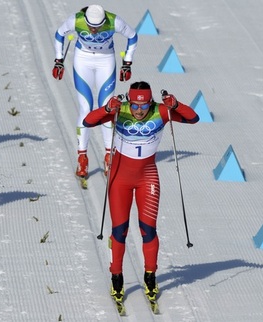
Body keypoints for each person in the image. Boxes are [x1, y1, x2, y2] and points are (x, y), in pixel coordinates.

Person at [83, 81, 199, 303]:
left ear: (150, 102)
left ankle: (150, 276)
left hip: (147, 178)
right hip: (119, 179)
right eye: (135, 106)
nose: (138, 111)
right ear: (129, 101)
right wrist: (107, 109)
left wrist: (175, 105)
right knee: (120, 230)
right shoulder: (121, 110)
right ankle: (116, 276)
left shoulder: (161, 111)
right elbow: (88, 122)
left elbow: (193, 118)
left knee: (148, 229)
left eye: (143, 106)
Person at [53, 4, 138, 178]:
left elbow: (133, 36)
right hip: (82, 60)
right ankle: (82, 157)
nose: (93, 30)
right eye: (90, 26)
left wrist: (127, 63)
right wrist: (58, 60)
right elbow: (59, 34)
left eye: (97, 27)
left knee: (107, 108)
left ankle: (109, 156)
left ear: (104, 21)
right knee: (86, 109)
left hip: (105, 61)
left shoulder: (114, 21)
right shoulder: (76, 19)